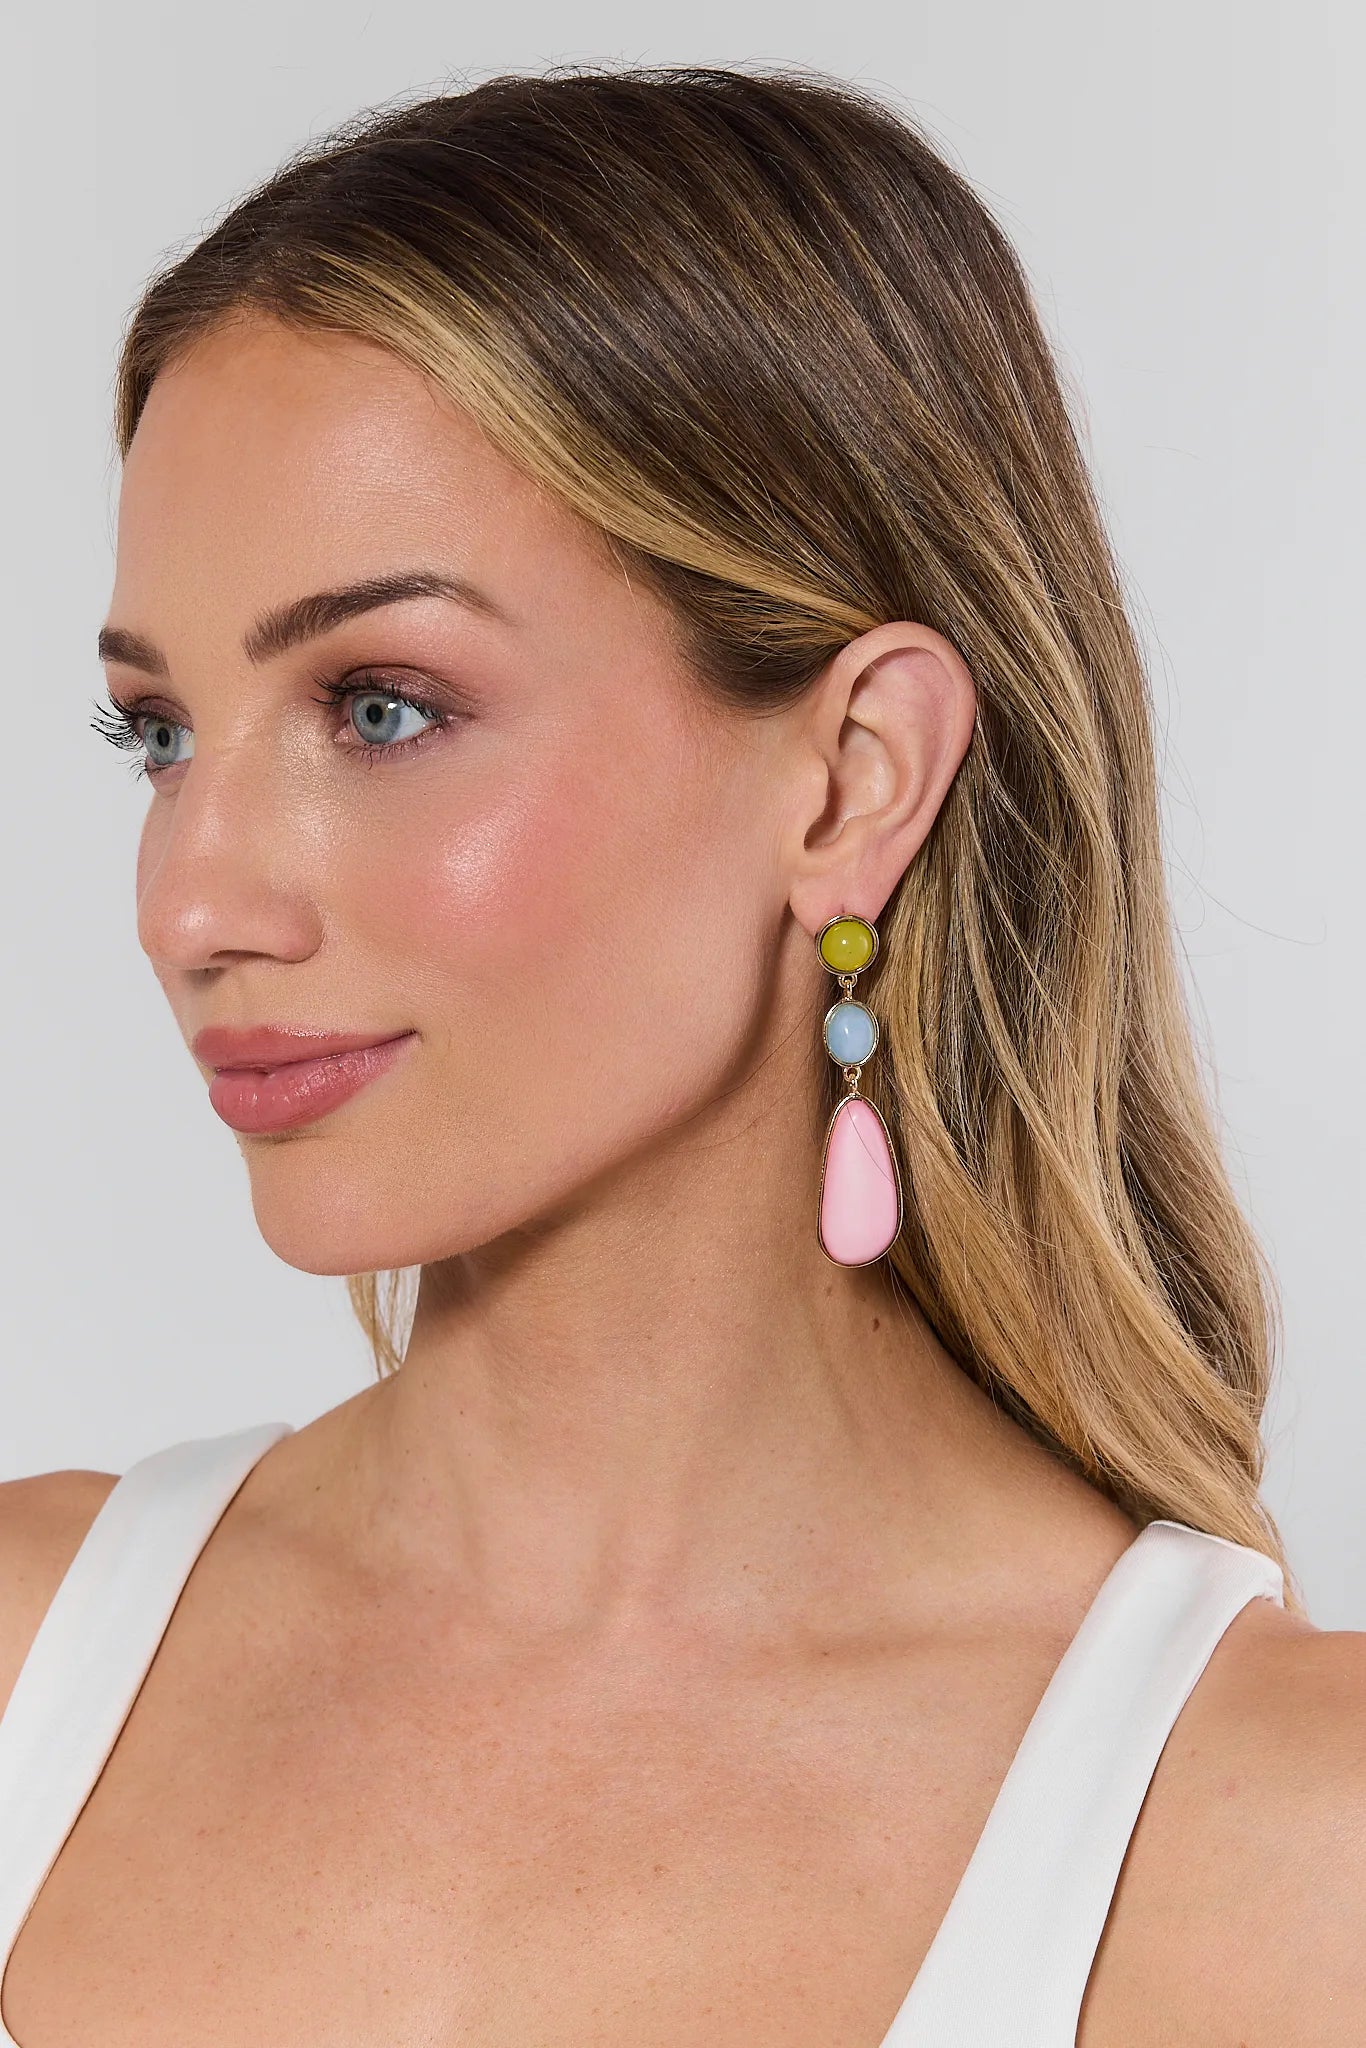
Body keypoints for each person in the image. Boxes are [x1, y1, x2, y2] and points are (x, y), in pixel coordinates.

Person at [0, 63, 1360, 2047]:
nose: (189, 901)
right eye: (162, 731)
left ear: (849, 772)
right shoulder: (28, 1671)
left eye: (377, 708)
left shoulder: (1279, 1852)